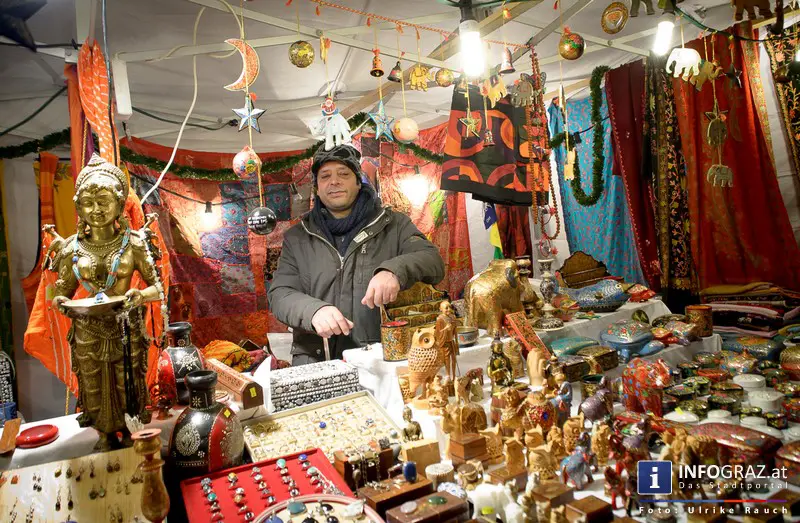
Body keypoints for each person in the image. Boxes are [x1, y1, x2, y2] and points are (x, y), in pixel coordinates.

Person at [268, 144, 445, 364]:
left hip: (379, 359)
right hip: (318, 360)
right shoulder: (298, 237)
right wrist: (313, 311)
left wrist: (394, 271)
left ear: (358, 182)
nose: (334, 181)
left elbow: (432, 260)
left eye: (344, 174)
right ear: (317, 188)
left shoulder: (393, 224)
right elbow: (280, 294)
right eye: (325, 176)